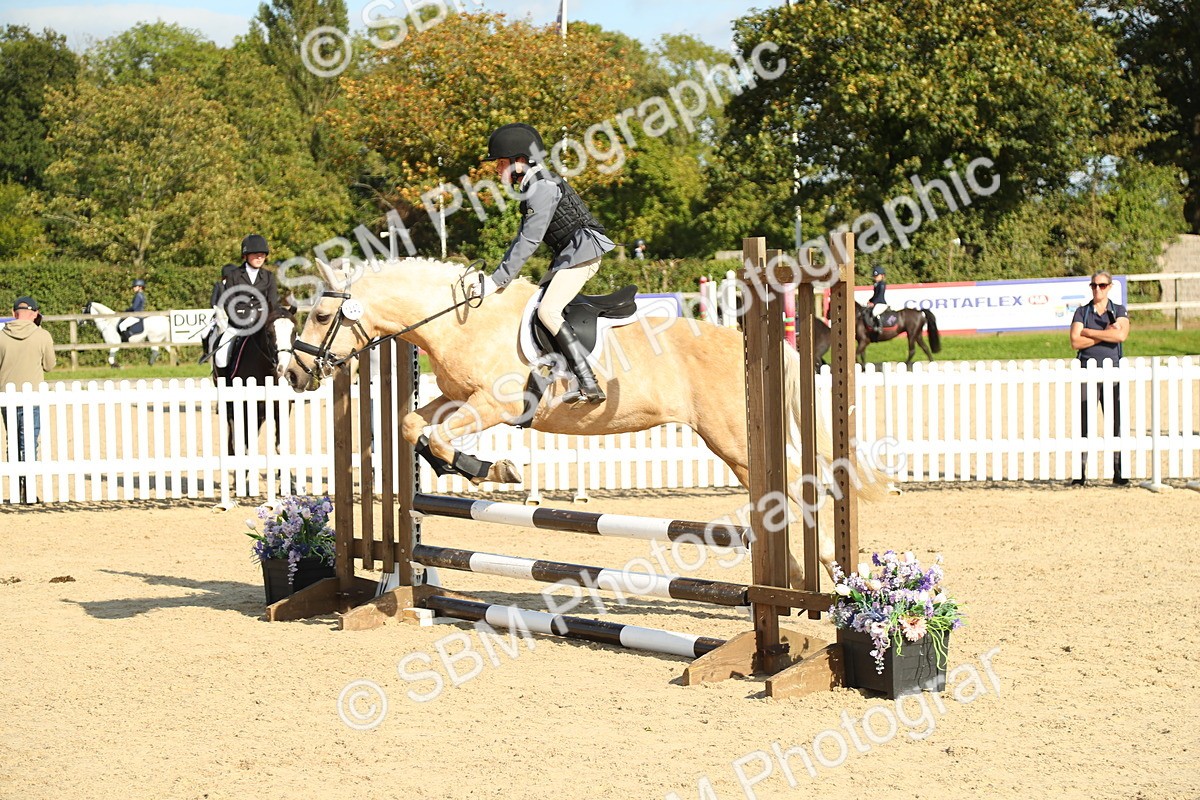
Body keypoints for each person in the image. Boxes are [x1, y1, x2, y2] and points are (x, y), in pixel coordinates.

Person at [470, 122, 615, 404]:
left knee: (548, 311)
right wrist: (499, 276)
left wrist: (496, 281)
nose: (496, 170)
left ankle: (588, 382)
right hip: (571, 253)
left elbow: (529, 241)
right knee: (536, 305)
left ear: (520, 162)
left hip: (583, 251)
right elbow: (521, 239)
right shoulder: (533, 184)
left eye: (501, 163)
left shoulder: (542, 187)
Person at [1069, 271, 1130, 486]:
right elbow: (1075, 341)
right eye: (1094, 285)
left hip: (1112, 371)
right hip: (1087, 371)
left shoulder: (1118, 310)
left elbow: (1120, 335)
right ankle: (1080, 473)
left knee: (1115, 422)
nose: (1097, 289)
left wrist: (1090, 333)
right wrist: (1104, 333)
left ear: (1110, 287)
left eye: (1102, 285)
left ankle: (1119, 471)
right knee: (1084, 421)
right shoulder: (1082, 312)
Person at [0, 296, 56, 503]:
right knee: (29, 441)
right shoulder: (42, 335)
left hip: (6, 396)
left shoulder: (1, 336)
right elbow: (49, 366)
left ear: (14, 313)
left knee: (12, 441)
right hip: (31, 395)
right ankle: (29, 490)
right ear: (34, 314)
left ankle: (16, 489)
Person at [210, 235, 284, 370]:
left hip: (263, 325)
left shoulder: (268, 277)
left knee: (285, 346)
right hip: (238, 325)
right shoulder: (234, 276)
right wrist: (242, 321)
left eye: (262, 254)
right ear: (245, 255)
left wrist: (265, 321)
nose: (259, 257)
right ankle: (225, 382)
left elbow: (273, 303)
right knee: (221, 357)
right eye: (256, 254)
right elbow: (228, 303)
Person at [866, 265, 888, 337]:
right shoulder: (876, 284)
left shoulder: (882, 284)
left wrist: (873, 303)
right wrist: (870, 300)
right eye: (875, 276)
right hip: (877, 302)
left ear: (882, 276)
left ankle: (879, 327)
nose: (875, 278)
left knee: (875, 312)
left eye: (877, 276)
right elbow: (875, 295)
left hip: (881, 303)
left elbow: (879, 296)